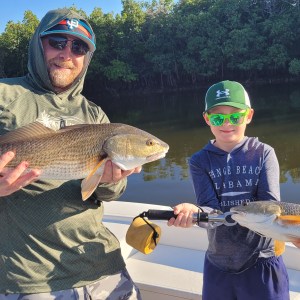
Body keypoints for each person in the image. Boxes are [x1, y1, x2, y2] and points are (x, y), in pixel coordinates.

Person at [0, 8, 142, 299]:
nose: (67, 54)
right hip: (32, 278)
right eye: (57, 42)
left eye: (78, 47)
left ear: (86, 58)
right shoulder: (5, 94)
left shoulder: (95, 114)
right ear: (39, 45)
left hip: (102, 265)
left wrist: (109, 181)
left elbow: (109, 193)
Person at [167, 80, 290, 300]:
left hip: (262, 261)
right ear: (207, 119)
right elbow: (210, 211)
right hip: (219, 265)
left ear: (249, 116)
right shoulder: (199, 161)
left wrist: (293, 233)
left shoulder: (264, 154)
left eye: (235, 116)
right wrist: (193, 212)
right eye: (218, 117)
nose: (227, 124)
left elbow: (272, 210)